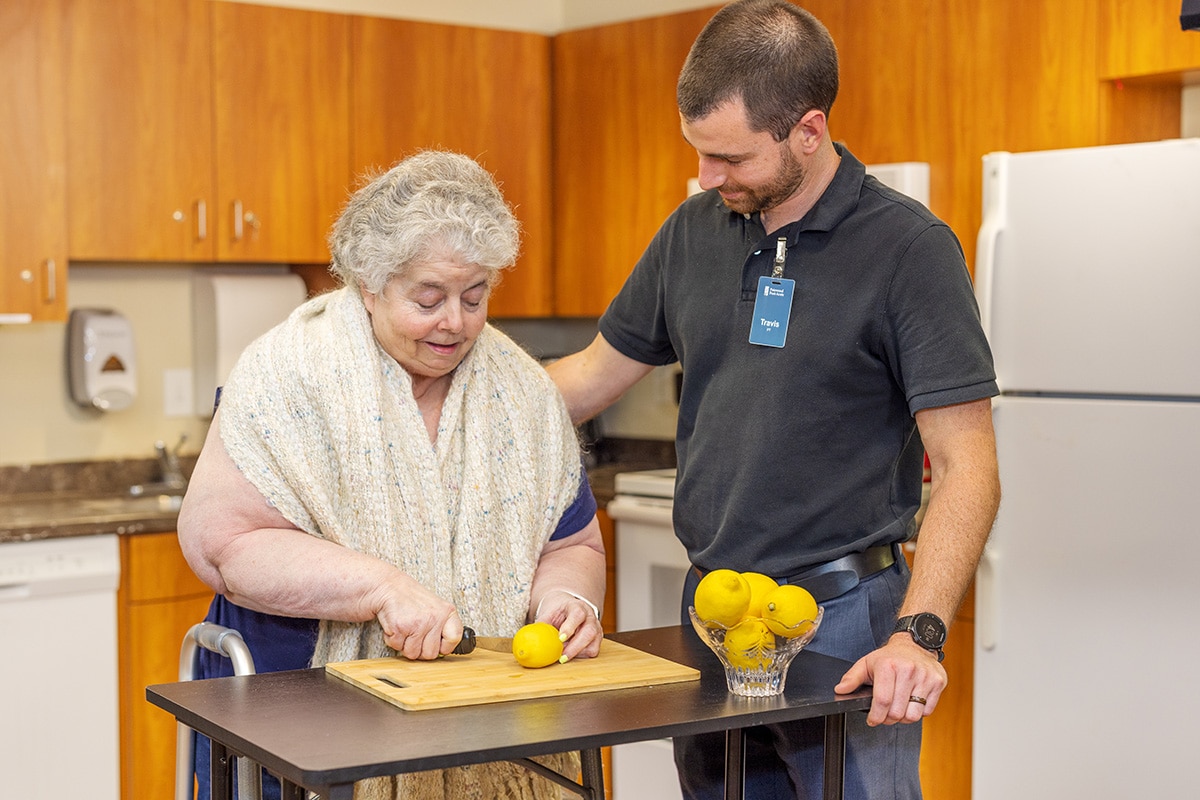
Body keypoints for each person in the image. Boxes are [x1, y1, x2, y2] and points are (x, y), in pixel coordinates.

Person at [547, 2, 1000, 799]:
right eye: (698, 154)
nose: (706, 178)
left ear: (809, 130)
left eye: (728, 157)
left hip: (845, 618)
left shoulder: (908, 250)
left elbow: (970, 469)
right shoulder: (693, 230)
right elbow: (585, 379)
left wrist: (917, 636)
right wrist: (441, 401)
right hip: (714, 618)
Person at [178, 150, 606, 800]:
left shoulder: (521, 389)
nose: (455, 322)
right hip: (296, 721)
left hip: (484, 722)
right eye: (428, 299)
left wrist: (567, 602)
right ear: (370, 286)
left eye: (475, 295)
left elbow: (572, 543)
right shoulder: (287, 375)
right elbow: (224, 545)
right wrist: (381, 588)